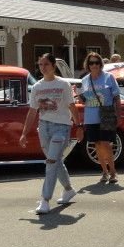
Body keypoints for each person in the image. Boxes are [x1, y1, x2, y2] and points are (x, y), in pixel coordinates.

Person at [19, 52, 78, 214]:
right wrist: (24, 133)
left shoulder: (63, 84)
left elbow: (72, 107)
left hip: (62, 128)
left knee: (51, 162)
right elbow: (32, 111)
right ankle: (68, 189)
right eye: (40, 65)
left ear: (53, 66)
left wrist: (79, 127)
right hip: (43, 127)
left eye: (46, 64)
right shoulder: (37, 87)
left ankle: (45, 200)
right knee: (56, 161)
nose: (43, 67)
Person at [78, 53, 120, 184]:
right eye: (91, 63)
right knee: (97, 145)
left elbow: (116, 97)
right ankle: (104, 172)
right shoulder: (84, 80)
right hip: (91, 117)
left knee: (106, 144)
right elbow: (83, 100)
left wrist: (118, 114)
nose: (94, 65)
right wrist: (79, 94)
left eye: (97, 62)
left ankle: (113, 172)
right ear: (88, 65)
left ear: (101, 64)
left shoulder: (109, 77)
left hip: (106, 115)